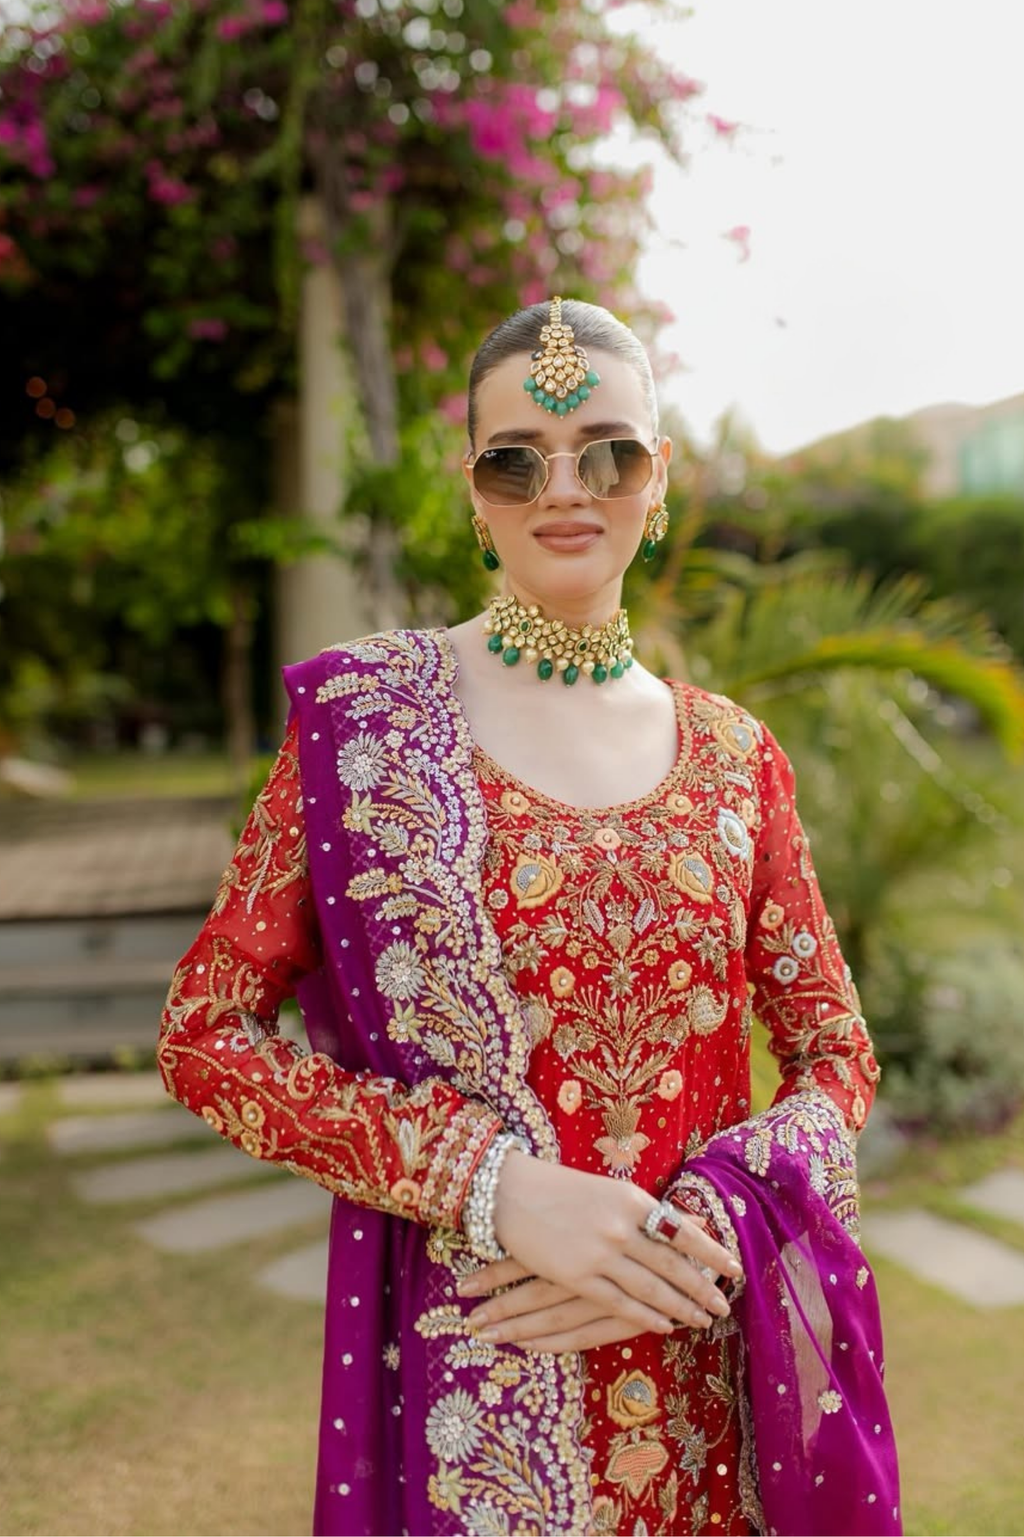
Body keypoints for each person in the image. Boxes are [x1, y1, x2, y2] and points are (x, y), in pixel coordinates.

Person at [158, 297, 900, 1537]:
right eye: (518, 459)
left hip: (699, 1360)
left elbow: (837, 1054)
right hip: (483, 1384)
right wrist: (493, 1183)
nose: (565, 488)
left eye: (607, 452)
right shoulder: (367, 723)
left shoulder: (733, 756)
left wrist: (705, 1223)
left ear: (656, 479)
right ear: (474, 491)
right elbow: (201, 1031)